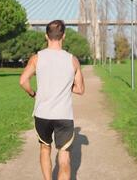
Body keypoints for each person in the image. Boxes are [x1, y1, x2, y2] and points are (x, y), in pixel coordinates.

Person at [19, 20, 85, 180]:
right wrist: (65, 86)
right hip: (64, 115)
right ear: (64, 36)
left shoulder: (37, 58)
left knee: (44, 149)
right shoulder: (72, 60)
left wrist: (32, 93)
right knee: (64, 158)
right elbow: (80, 89)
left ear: (45, 35)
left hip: (43, 114)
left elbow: (23, 81)